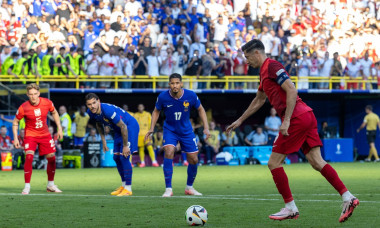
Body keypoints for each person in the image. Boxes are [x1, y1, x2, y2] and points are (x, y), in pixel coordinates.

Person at [226, 39, 359, 223]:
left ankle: (290, 207)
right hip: (305, 115)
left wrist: (286, 120)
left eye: (248, 57)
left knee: (273, 163)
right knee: (316, 161)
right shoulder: (263, 73)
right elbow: (259, 99)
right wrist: (240, 120)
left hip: (296, 118)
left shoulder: (272, 66)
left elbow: (291, 90)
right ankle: (348, 197)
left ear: (257, 53)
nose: (246, 62)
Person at [145, 73, 210, 197]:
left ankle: (189, 187)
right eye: (172, 83)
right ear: (169, 84)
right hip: (170, 130)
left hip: (186, 131)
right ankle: (168, 189)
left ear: (181, 84)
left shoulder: (190, 95)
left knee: (194, 159)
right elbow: (156, 111)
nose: (175, 86)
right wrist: (152, 128)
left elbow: (201, 109)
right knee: (169, 151)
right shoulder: (163, 97)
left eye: (177, 83)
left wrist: (206, 127)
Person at [12, 83, 63, 195]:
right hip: (30, 135)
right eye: (31, 94)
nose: (33, 96)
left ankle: (50, 185)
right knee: (29, 157)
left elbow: (54, 112)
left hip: (45, 134)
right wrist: (15, 138)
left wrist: (59, 128)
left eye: (35, 94)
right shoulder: (23, 107)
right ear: (27, 95)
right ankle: (27, 187)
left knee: (52, 159)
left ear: (39, 93)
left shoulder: (47, 102)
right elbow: (15, 122)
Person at [85, 93, 139, 196]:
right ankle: (123, 186)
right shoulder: (91, 112)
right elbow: (98, 123)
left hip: (129, 127)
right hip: (118, 130)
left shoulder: (107, 111)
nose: (92, 106)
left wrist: (125, 146)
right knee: (116, 158)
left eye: (94, 103)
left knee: (124, 157)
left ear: (98, 101)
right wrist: (104, 141)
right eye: (89, 104)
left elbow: (123, 126)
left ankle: (128, 188)